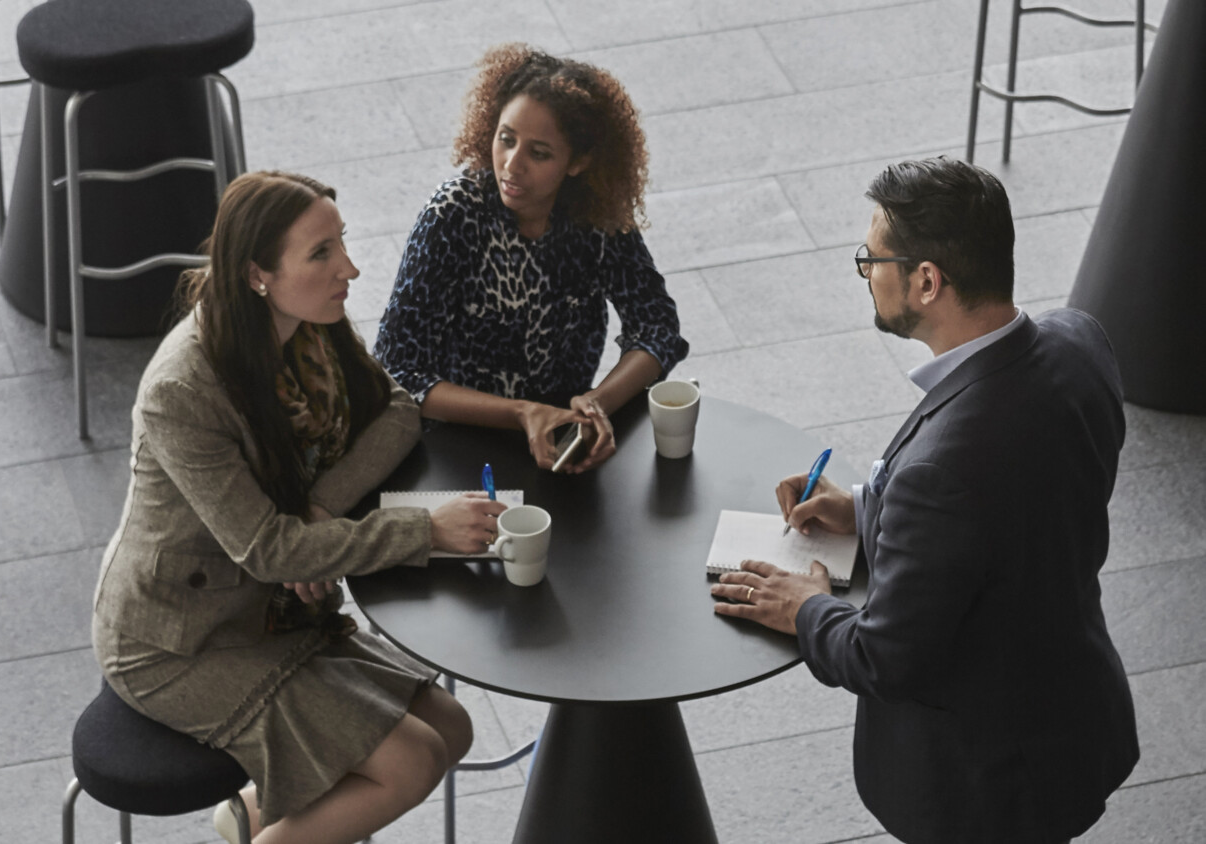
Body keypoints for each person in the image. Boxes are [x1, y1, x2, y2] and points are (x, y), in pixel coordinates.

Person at [710, 157, 1138, 843]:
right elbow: (1016, 509)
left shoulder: (940, 473)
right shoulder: (1079, 342)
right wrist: (865, 506)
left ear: (928, 281)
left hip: (987, 782)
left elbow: (884, 658)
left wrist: (805, 606)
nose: (866, 272)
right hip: (1077, 713)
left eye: (872, 259)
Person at [92, 171, 506, 844]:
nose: (350, 267)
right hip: (182, 641)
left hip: (274, 615)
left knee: (451, 727)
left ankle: (247, 818)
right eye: (321, 254)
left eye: (340, 243)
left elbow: (395, 410)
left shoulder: (311, 330)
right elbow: (267, 551)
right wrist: (422, 531)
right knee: (410, 762)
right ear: (258, 273)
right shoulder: (184, 388)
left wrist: (318, 509)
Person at [374, 43, 689, 473]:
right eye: (506, 140)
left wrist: (597, 403)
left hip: (563, 437)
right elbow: (398, 369)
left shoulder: (596, 216)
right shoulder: (452, 215)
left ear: (577, 162)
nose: (511, 165)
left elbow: (657, 325)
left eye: (539, 153)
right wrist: (522, 413)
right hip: (458, 444)